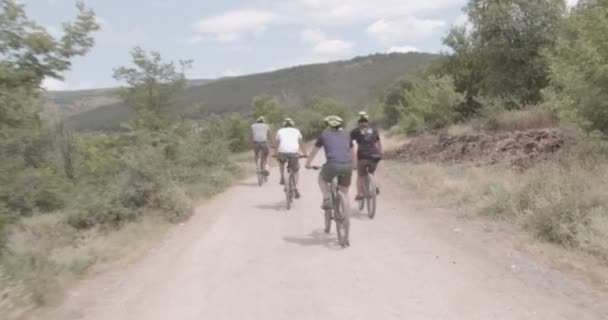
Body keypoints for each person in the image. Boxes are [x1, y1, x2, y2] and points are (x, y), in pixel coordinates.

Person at [305, 115, 355, 211]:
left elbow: (313, 152)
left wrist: (308, 164)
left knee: (321, 179)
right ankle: (346, 217)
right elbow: (353, 153)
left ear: (328, 125)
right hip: (347, 166)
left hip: (332, 165)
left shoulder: (324, 135)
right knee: (345, 192)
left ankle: (327, 198)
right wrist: (354, 165)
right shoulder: (347, 134)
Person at [351, 111, 382, 201]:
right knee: (372, 173)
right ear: (367, 122)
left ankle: (359, 194)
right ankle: (375, 185)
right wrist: (380, 154)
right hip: (375, 155)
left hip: (363, 156)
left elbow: (349, 144)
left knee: (360, 175)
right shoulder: (374, 130)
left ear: (358, 122)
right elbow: (379, 143)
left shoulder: (355, 131)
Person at [275, 118, 307, 198]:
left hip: (282, 153)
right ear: (292, 125)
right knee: (295, 170)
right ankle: (296, 186)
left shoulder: (280, 131)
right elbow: (301, 143)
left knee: (281, 162)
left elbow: (277, 144)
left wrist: (275, 153)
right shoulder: (296, 131)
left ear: (284, 125)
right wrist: (305, 153)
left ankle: (282, 176)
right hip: (294, 153)